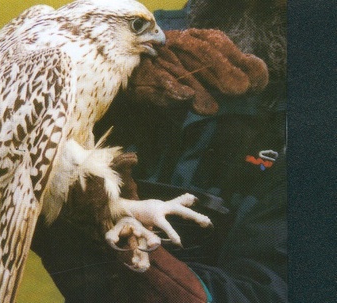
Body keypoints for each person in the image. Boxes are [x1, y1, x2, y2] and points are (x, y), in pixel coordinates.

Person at [31, 0, 287, 301]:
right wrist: (95, 94)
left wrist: (159, 276)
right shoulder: (135, 33)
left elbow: (269, 286)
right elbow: (8, 179)